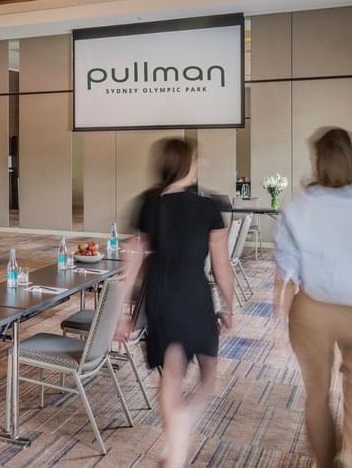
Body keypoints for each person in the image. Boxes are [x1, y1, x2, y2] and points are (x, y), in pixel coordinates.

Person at [274, 127, 352, 468]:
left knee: (316, 393)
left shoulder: (299, 207)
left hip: (313, 309)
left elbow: (286, 267)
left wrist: (280, 308)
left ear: (318, 161)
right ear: (351, 159)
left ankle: (324, 461)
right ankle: (351, 455)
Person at [116, 137, 236, 467]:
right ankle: (181, 432)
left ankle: (174, 448)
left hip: (160, 297)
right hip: (194, 296)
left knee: (170, 376)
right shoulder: (209, 208)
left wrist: (124, 313)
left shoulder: (148, 204)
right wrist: (228, 305)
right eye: (196, 160)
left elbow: (132, 263)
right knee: (208, 378)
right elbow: (221, 266)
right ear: (188, 165)